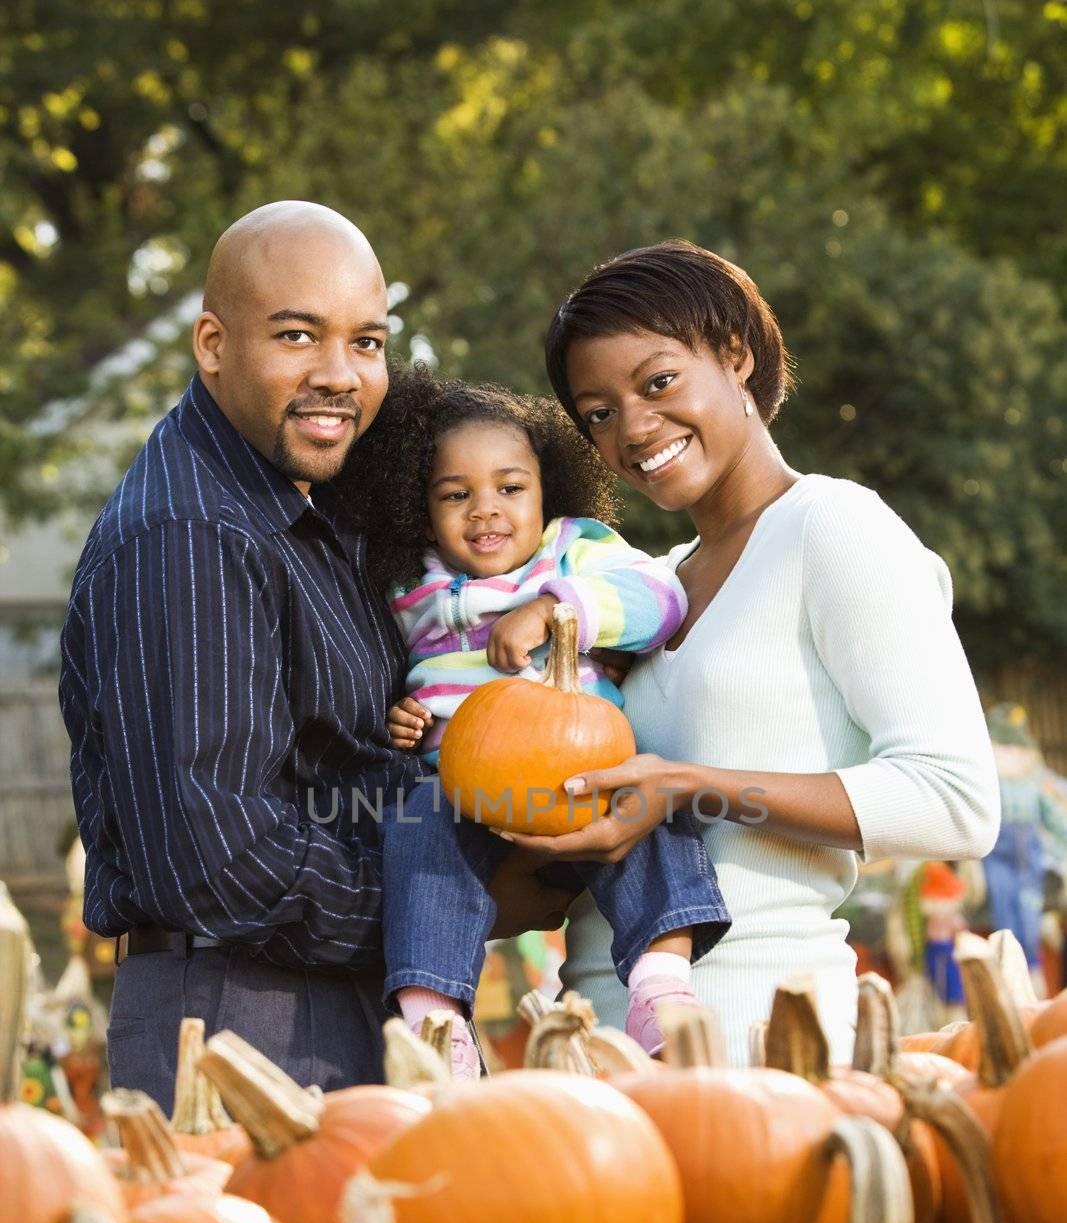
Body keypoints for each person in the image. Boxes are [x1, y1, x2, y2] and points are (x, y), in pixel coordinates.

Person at [58, 201, 571, 1111]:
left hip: (346, 995)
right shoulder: (192, 533)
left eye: (366, 343)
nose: (340, 376)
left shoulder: (301, 511)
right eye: (297, 336)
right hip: (242, 1020)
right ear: (212, 343)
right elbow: (210, 854)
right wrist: (448, 905)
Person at [504, 238, 1001, 1065]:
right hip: (591, 1058)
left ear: (735, 355)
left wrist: (689, 788)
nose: (632, 428)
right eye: (597, 412)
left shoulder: (830, 528)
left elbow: (955, 800)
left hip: (764, 1045)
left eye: (658, 382)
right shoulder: (641, 591)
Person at [336, 369, 730, 1075]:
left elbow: (659, 600)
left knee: (651, 808)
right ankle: (434, 1020)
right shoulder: (411, 585)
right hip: (460, 785)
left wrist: (555, 608)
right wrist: (400, 717)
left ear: (546, 490)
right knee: (416, 836)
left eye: (509, 489)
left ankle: (659, 984)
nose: (484, 509)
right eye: (455, 496)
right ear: (420, 511)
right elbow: (398, 676)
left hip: (583, 770)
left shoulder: (574, 550)